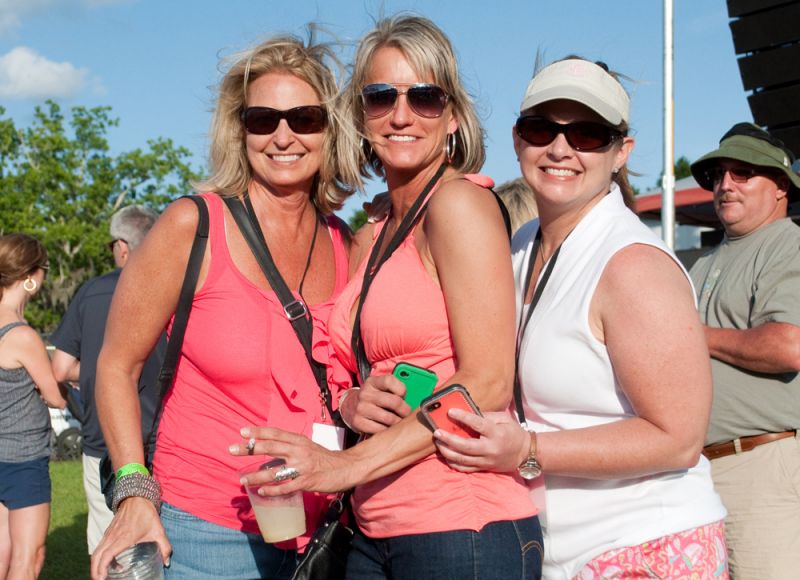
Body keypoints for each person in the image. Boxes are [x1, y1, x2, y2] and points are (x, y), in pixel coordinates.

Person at [231, 15, 542, 579]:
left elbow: (487, 381)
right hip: (376, 530)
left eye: (423, 97)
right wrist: (352, 403)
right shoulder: (372, 231)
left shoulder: (458, 207)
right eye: (381, 97)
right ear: (360, 115)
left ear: (451, 114)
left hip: (460, 524)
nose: (401, 115)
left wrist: (342, 465)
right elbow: (352, 366)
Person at [429, 57, 729, 578]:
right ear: (519, 138)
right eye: (542, 128)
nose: (561, 148)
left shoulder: (633, 265)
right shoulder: (520, 246)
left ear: (621, 152)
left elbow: (678, 438)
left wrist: (529, 450)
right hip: (557, 549)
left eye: (588, 133)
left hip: (645, 547)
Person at [90, 34, 353, 580]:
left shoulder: (345, 241)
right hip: (203, 532)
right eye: (263, 119)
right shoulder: (194, 225)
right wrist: (135, 491)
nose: (283, 136)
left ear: (331, 129)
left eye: (304, 118)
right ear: (240, 130)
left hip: (323, 534)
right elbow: (117, 365)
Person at [688, 123, 800, 579]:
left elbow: (789, 345)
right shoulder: (703, 261)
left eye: (743, 172)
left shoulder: (789, 243)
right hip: (695, 471)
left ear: (781, 187)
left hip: (762, 461)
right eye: (718, 174)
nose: (725, 184)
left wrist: (692, 335)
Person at [50, 205, 162, 556]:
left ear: (122, 246)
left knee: (107, 542)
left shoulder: (92, 292)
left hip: (105, 436)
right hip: (164, 435)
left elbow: (60, 367)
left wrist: (96, 372)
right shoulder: (173, 288)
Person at [0, 234, 67, 579]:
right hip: (22, 460)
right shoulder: (22, 336)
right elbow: (54, 395)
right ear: (31, 276)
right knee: (30, 558)